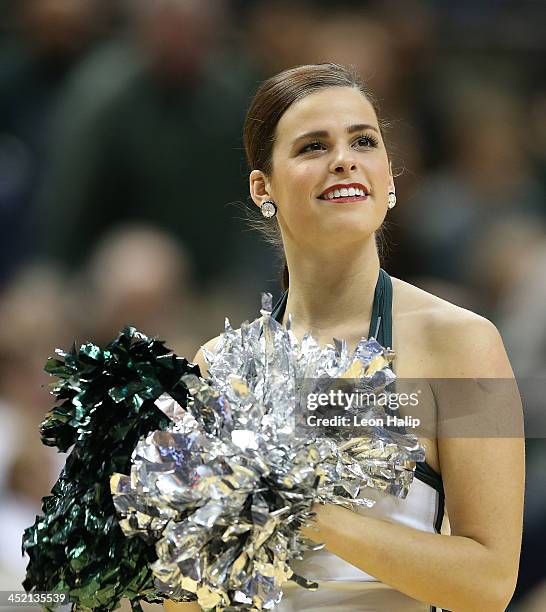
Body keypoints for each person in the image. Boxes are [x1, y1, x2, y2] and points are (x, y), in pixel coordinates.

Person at [165, 64, 524, 611]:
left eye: (363, 141)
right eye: (313, 146)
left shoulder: (465, 342)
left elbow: (490, 583)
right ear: (264, 188)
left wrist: (304, 508)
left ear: (390, 179)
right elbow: (193, 594)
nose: (343, 159)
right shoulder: (221, 364)